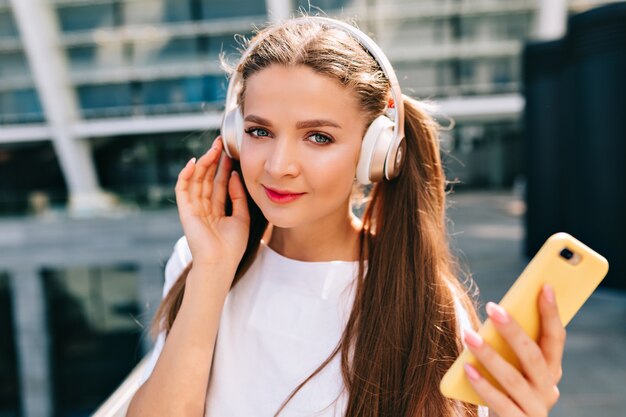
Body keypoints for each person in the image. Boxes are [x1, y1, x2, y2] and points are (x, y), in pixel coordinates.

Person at [127, 16, 566, 417]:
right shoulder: (199, 261)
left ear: (375, 155)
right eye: (260, 131)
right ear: (234, 136)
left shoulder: (421, 299)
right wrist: (212, 269)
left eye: (318, 137)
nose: (279, 165)